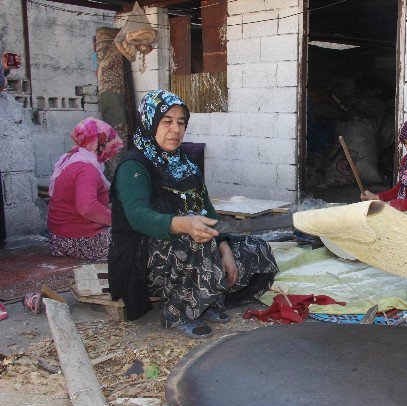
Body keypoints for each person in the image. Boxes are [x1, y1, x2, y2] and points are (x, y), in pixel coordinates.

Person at [108, 90, 278, 338]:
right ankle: (181, 313)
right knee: (194, 241)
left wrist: (225, 248)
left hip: (192, 250)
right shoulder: (134, 166)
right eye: (167, 121)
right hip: (143, 260)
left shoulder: (185, 163)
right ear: (150, 123)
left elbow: (207, 210)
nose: (175, 129)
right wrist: (184, 224)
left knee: (255, 247)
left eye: (181, 122)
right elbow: (138, 216)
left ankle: (207, 301)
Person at [47, 118, 123, 260]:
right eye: (108, 145)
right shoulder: (87, 169)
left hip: (60, 238)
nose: (110, 152)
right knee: (139, 241)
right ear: (100, 143)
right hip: (75, 240)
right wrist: (119, 219)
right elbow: (87, 207)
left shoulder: (73, 159)